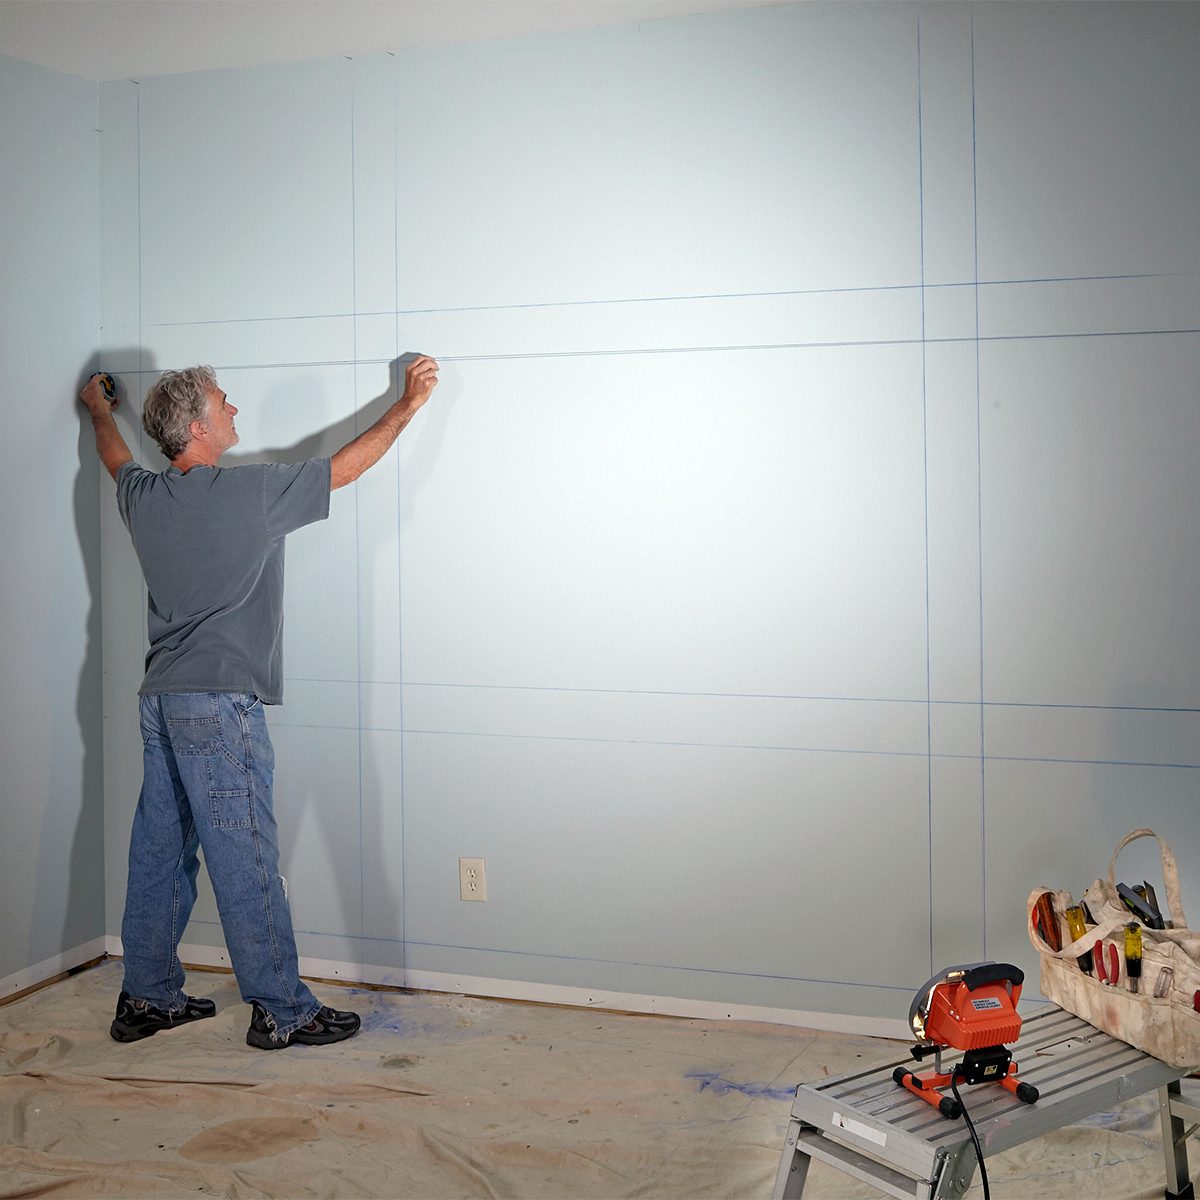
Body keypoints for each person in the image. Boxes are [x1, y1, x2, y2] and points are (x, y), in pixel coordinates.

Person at [79, 356, 439, 1049]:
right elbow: (347, 466)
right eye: (224, 402)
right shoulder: (249, 494)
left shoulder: (143, 499)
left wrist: (100, 410)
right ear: (197, 427)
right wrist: (409, 404)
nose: (235, 410)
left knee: (160, 851)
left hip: (160, 701)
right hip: (217, 707)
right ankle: (283, 1009)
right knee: (244, 854)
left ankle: (147, 997)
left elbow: (114, 453)